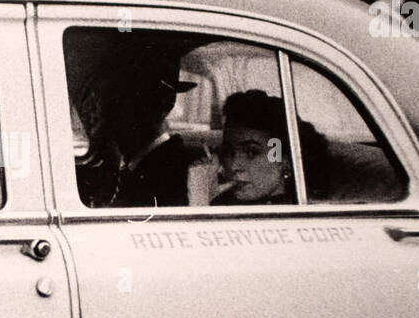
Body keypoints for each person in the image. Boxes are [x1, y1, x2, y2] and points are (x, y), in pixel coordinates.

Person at [74, 44, 196, 208]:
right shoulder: (136, 164)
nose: (94, 111)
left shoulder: (164, 174)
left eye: (111, 96)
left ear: (152, 107)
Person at [211, 90, 328, 206]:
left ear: (285, 162)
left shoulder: (298, 211)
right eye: (228, 152)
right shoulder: (221, 202)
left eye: (251, 153)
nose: (233, 166)